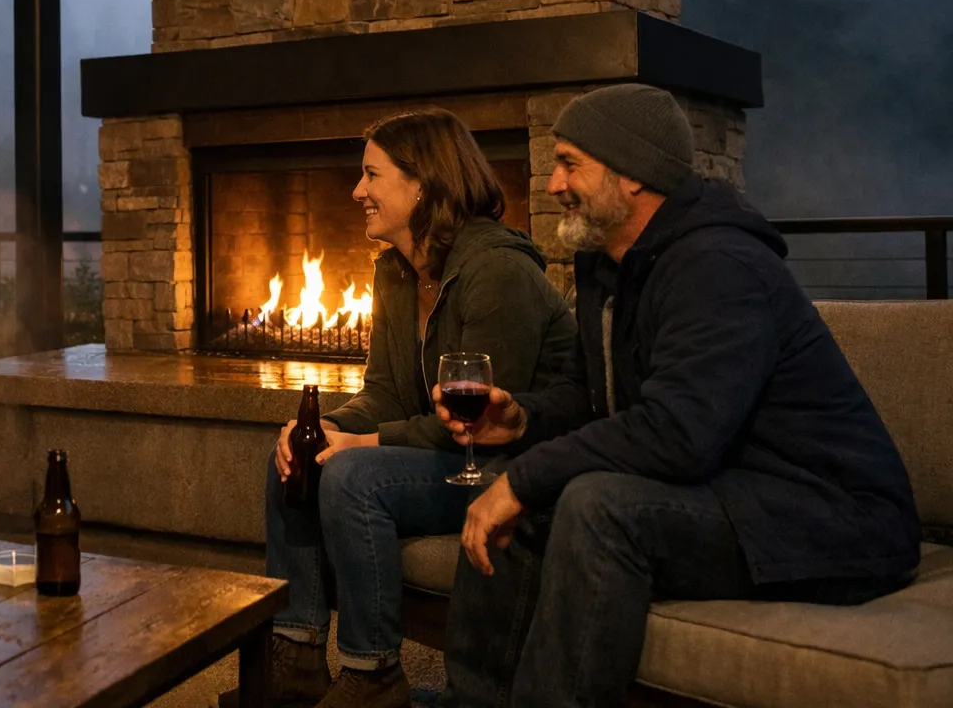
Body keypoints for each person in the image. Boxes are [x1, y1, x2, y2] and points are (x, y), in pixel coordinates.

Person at [437, 84, 920, 708]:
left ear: (632, 173)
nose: (553, 184)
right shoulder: (607, 263)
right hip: (728, 490)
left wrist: (527, 478)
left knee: (595, 504)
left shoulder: (718, 265)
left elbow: (679, 432)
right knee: (519, 486)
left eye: (570, 164)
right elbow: (594, 399)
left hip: (831, 516)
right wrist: (523, 421)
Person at [222, 109, 578, 708]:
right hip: (445, 453)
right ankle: (295, 659)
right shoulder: (395, 271)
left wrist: (363, 444)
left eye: (371, 175)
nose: (356, 191)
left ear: (422, 183)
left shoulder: (497, 270)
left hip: (506, 466)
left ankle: (373, 677)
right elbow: (385, 391)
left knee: (353, 475)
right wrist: (328, 426)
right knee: (297, 454)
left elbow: (479, 422)